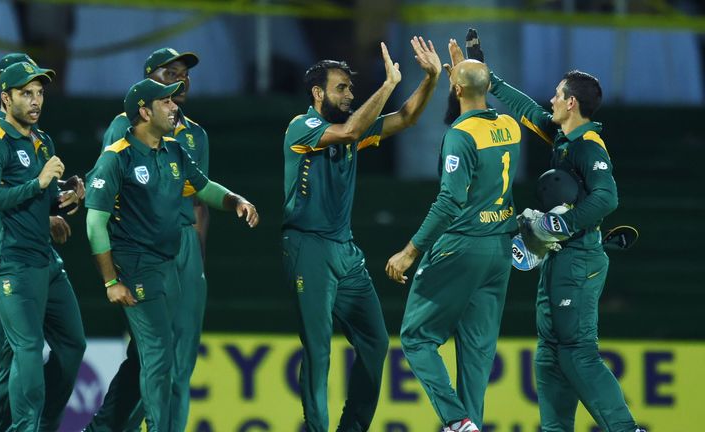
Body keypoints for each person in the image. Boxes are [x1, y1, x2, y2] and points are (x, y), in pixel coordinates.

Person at [468, 29, 646, 432]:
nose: (550, 99)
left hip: (579, 259)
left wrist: (557, 223)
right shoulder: (566, 138)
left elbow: (607, 199)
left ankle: (625, 427)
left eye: (555, 94)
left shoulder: (589, 146)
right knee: (549, 354)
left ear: (570, 102)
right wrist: (489, 78)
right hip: (558, 257)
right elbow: (529, 111)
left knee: (577, 351)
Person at [281, 37, 441, 431]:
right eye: (342, 88)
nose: (350, 93)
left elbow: (406, 118)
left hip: (344, 249)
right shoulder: (302, 127)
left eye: (352, 87)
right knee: (318, 349)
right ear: (318, 93)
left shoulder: (350, 127)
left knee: (376, 341)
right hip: (308, 246)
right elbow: (351, 131)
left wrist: (432, 79)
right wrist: (386, 85)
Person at [85, 78, 258, 432]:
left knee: (146, 358)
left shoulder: (175, 150)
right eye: (164, 102)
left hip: (169, 266)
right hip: (136, 268)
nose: (174, 105)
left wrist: (236, 201)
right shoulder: (117, 157)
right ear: (144, 112)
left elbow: (205, 189)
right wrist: (111, 281)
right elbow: (94, 225)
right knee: (160, 354)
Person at [385, 40, 521, 432]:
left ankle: (455, 420)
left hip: (461, 247)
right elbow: (474, 104)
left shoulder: (460, 137)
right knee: (477, 352)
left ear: (456, 89)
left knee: (416, 337)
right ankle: (470, 424)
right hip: (499, 252)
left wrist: (411, 251)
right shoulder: (508, 125)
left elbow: (449, 201)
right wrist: (462, 73)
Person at [86, 47, 208, 432]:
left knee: (181, 358)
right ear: (148, 79)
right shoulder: (124, 126)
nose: (181, 78)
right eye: (170, 72)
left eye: (184, 73)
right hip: (143, 247)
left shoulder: (194, 134)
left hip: (184, 243)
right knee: (153, 354)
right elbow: (102, 182)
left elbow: (201, 199)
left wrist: (197, 260)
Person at [0, 61, 86, 432]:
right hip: (7, 262)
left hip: (43, 259)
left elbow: (44, 195)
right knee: (27, 350)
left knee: (71, 345)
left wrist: (65, 197)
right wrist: (38, 185)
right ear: (6, 98)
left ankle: (38, 423)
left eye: (39, 93)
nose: (36, 101)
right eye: (26, 94)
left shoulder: (40, 139)